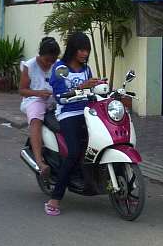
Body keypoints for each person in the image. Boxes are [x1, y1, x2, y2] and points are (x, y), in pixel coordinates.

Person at [45, 32, 100, 216]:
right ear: (73, 50)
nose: (85, 53)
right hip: (67, 114)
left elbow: (91, 92)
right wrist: (82, 86)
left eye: (87, 50)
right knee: (74, 152)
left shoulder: (86, 68)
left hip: (87, 113)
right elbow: (60, 98)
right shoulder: (61, 68)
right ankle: (55, 198)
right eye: (81, 50)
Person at [19, 37, 61, 178]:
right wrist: (38, 92)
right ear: (40, 55)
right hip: (34, 99)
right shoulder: (29, 66)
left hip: (55, 99)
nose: (49, 63)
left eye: (52, 60)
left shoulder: (59, 65)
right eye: (46, 60)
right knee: (36, 120)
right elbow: (22, 90)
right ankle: (39, 161)